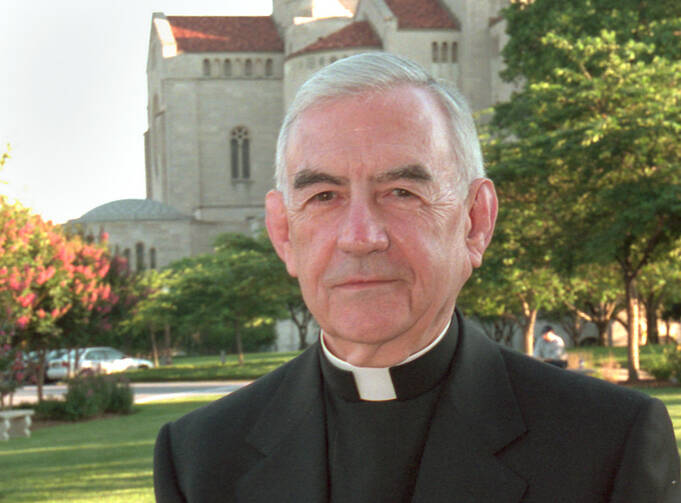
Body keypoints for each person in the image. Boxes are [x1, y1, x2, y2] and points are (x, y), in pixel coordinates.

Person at [153, 53, 680, 502]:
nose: (361, 237)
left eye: (402, 192)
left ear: (476, 221)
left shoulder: (607, 444)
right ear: (283, 233)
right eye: (323, 197)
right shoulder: (200, 460)